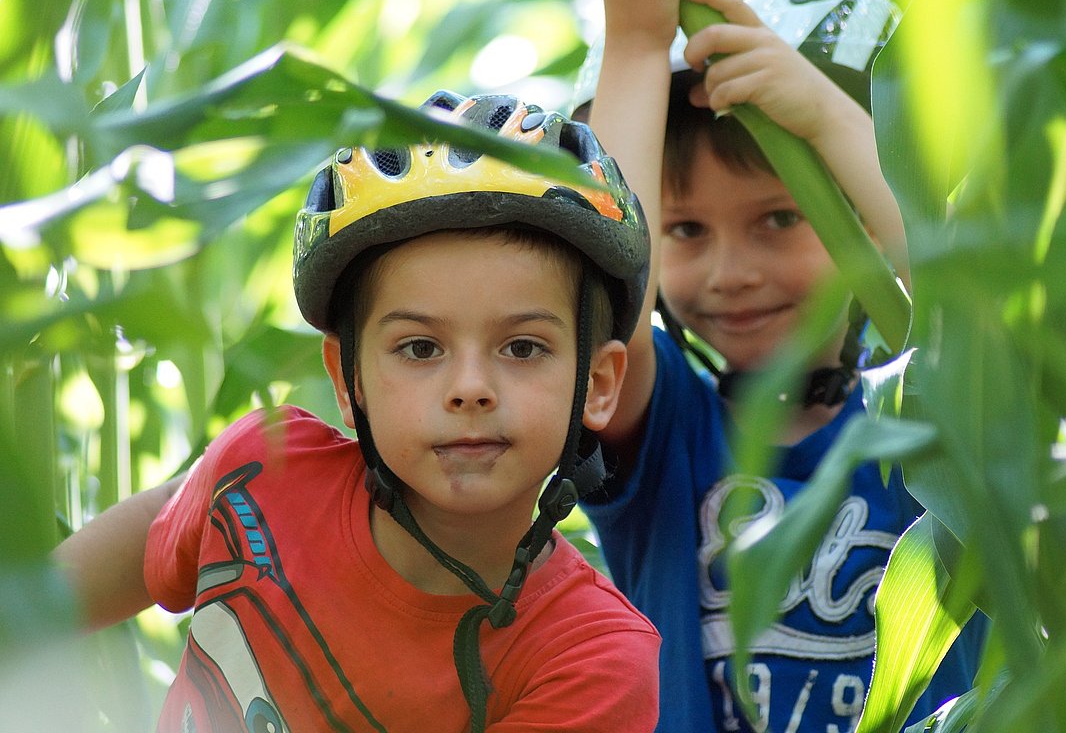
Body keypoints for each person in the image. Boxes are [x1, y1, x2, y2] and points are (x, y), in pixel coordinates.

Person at [52, 89, 661, 732]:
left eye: (523, 347)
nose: (471, 387)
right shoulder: (260, 476)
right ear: (348, 380)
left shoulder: (592, 660)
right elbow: (143, 540)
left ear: (596, 384)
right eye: (420, 347)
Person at [570, 0, 984, 733]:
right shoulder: (665, 431)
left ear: (865, 209)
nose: (731, 272)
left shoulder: (936, 406)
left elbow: (964, 291)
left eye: (781, 217)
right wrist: (634, 45)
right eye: (685, 229)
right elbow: (601, 304)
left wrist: (833, 119)